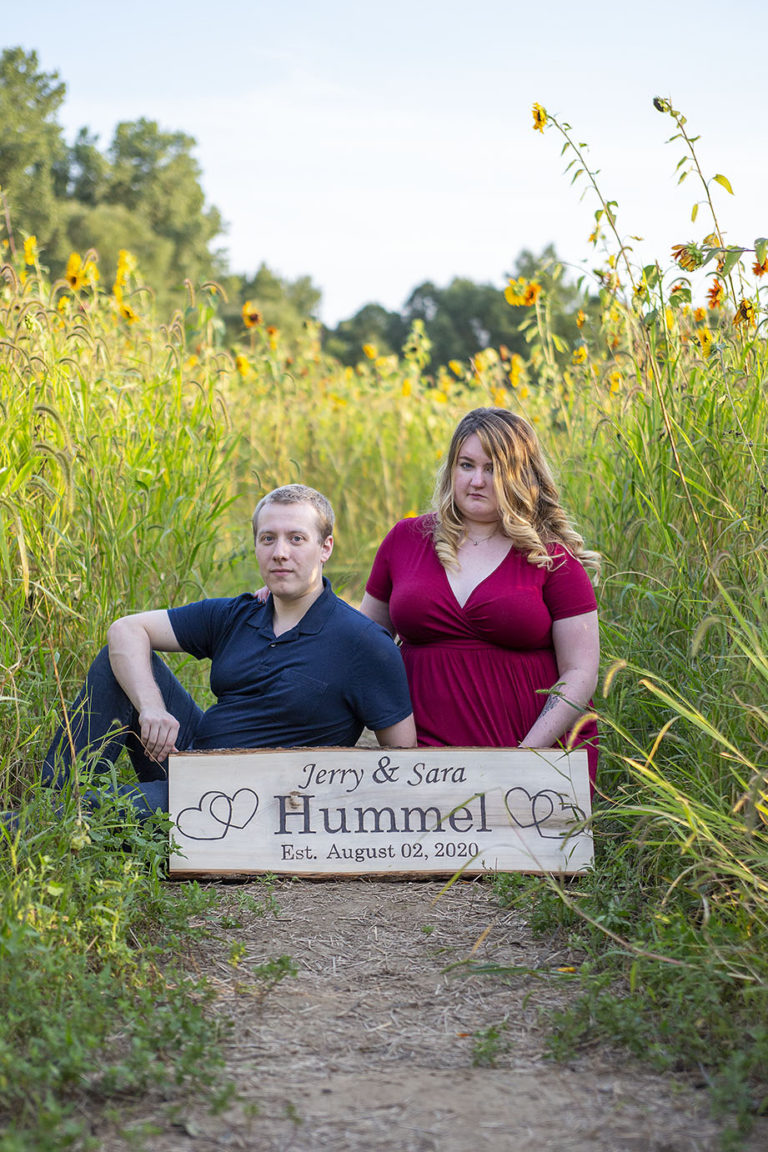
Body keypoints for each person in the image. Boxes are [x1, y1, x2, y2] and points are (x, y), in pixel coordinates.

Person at [42, 484, 416, 819]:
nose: (280, 553)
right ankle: (50, 804)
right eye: (267, 539)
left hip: (255, 805)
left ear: (325, 548)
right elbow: (126, 629)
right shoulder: (238, 613)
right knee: (116, 662)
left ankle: (46, 823)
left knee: (104, 809)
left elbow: (401, 762)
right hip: (191, 762)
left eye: (297, 539)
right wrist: (152, 707)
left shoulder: (363, 643)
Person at [359, 408, 600, 786]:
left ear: (522, 475)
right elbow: (364, 645)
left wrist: (526, 757)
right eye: (466, 465)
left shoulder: (552, 558)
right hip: (419, 760)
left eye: (493, 469)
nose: (477, 481)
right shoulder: (405, 540)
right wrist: (295, 598)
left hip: (534, 752)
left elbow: (580, 671)